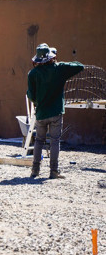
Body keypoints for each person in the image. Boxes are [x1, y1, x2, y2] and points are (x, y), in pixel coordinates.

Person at [27, 43, 83, 179]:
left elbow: (31, 95)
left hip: (41, 113)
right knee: (55, 141)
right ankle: (54, 171)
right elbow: (79, 66)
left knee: (39, 141)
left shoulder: (32, 74)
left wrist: (37, 103)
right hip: (56, 112)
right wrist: (59, 62)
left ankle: (35, 170)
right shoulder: (59, 69)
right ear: (52, 57)